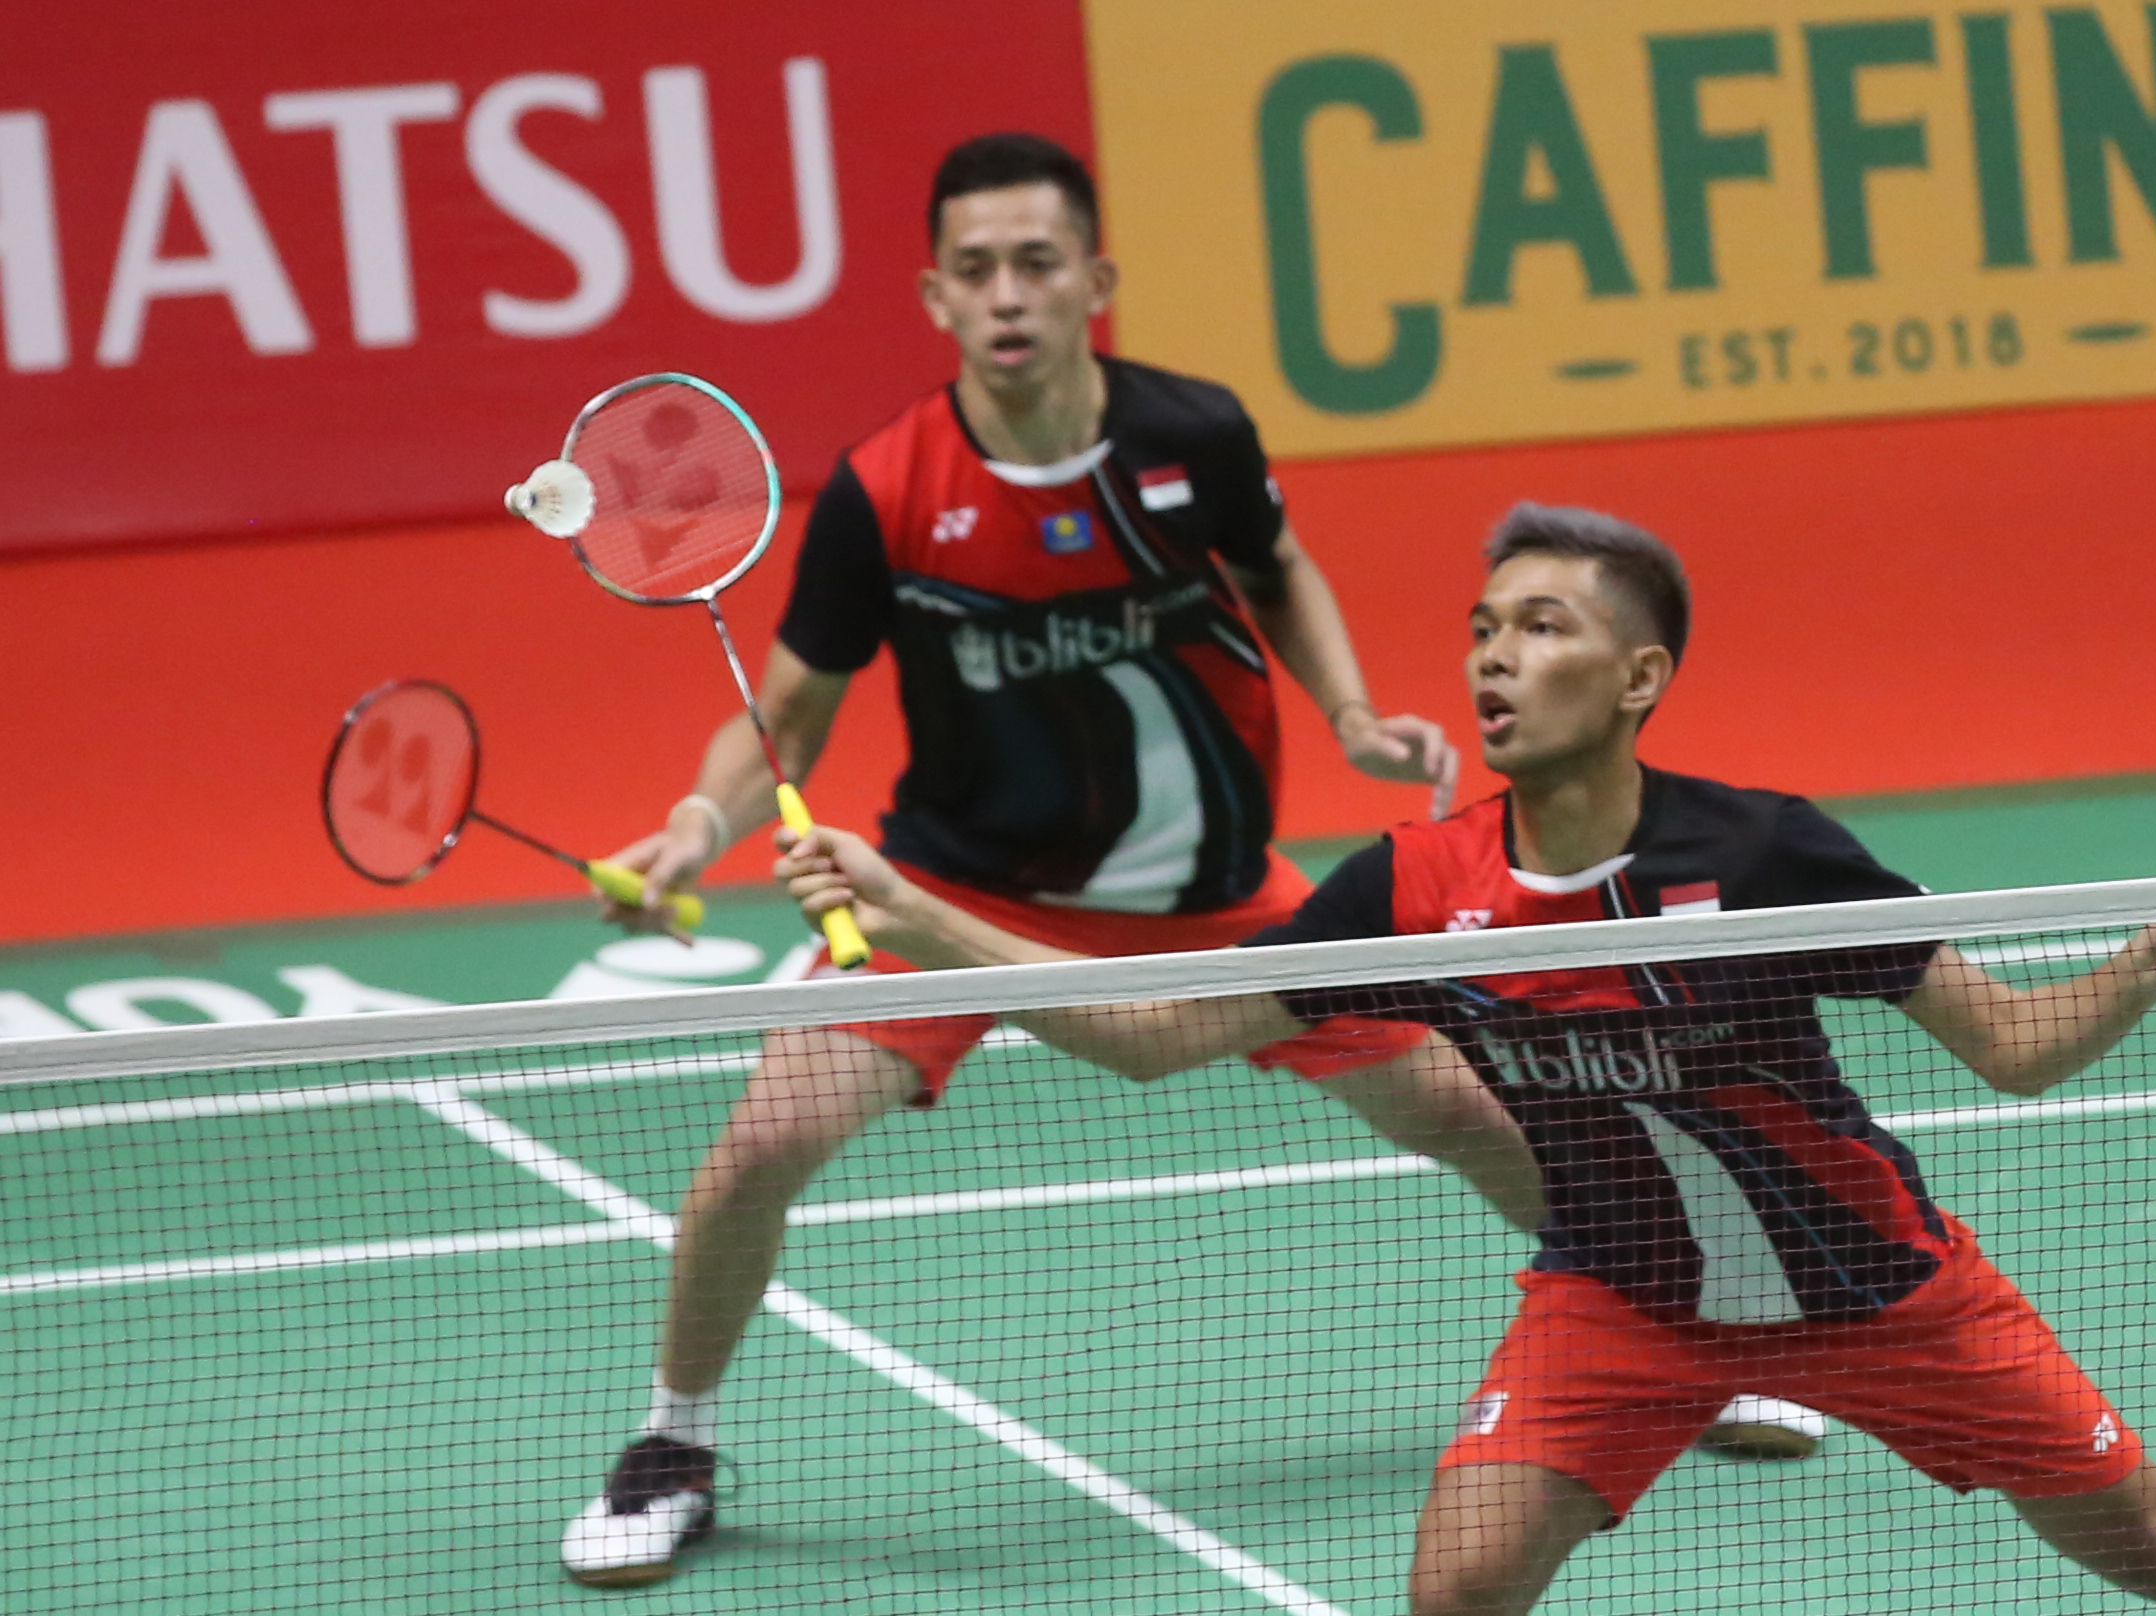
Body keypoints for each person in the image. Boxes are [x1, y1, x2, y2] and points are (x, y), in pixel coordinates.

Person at [781, 504, 2156, 1616]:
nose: (1493, 657)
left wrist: (2136, 974)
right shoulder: (1412, 889)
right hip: (1621, 1299)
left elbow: (2009, 1051)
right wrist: (918, 910)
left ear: (1640, 679)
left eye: (1544, 627)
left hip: (1879, 1292)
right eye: (1482, 628)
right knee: (1459, 1584)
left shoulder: (1764, 859)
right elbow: (1155, 1035)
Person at [559, 130, 1502, 1588]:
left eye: (1039, 264)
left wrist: (1355, 713)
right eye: (979, 270)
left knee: (1475, 1113)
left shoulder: (1192, 437)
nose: (1009, 295)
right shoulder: (887, 488)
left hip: (1221, 897)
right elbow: (790, 712)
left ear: (1096, 281)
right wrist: (697, 822)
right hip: (955, 897)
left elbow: (1281, 567)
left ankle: (1675, 1334)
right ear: (935, 296)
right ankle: (673, 1440)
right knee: (757, 1152)